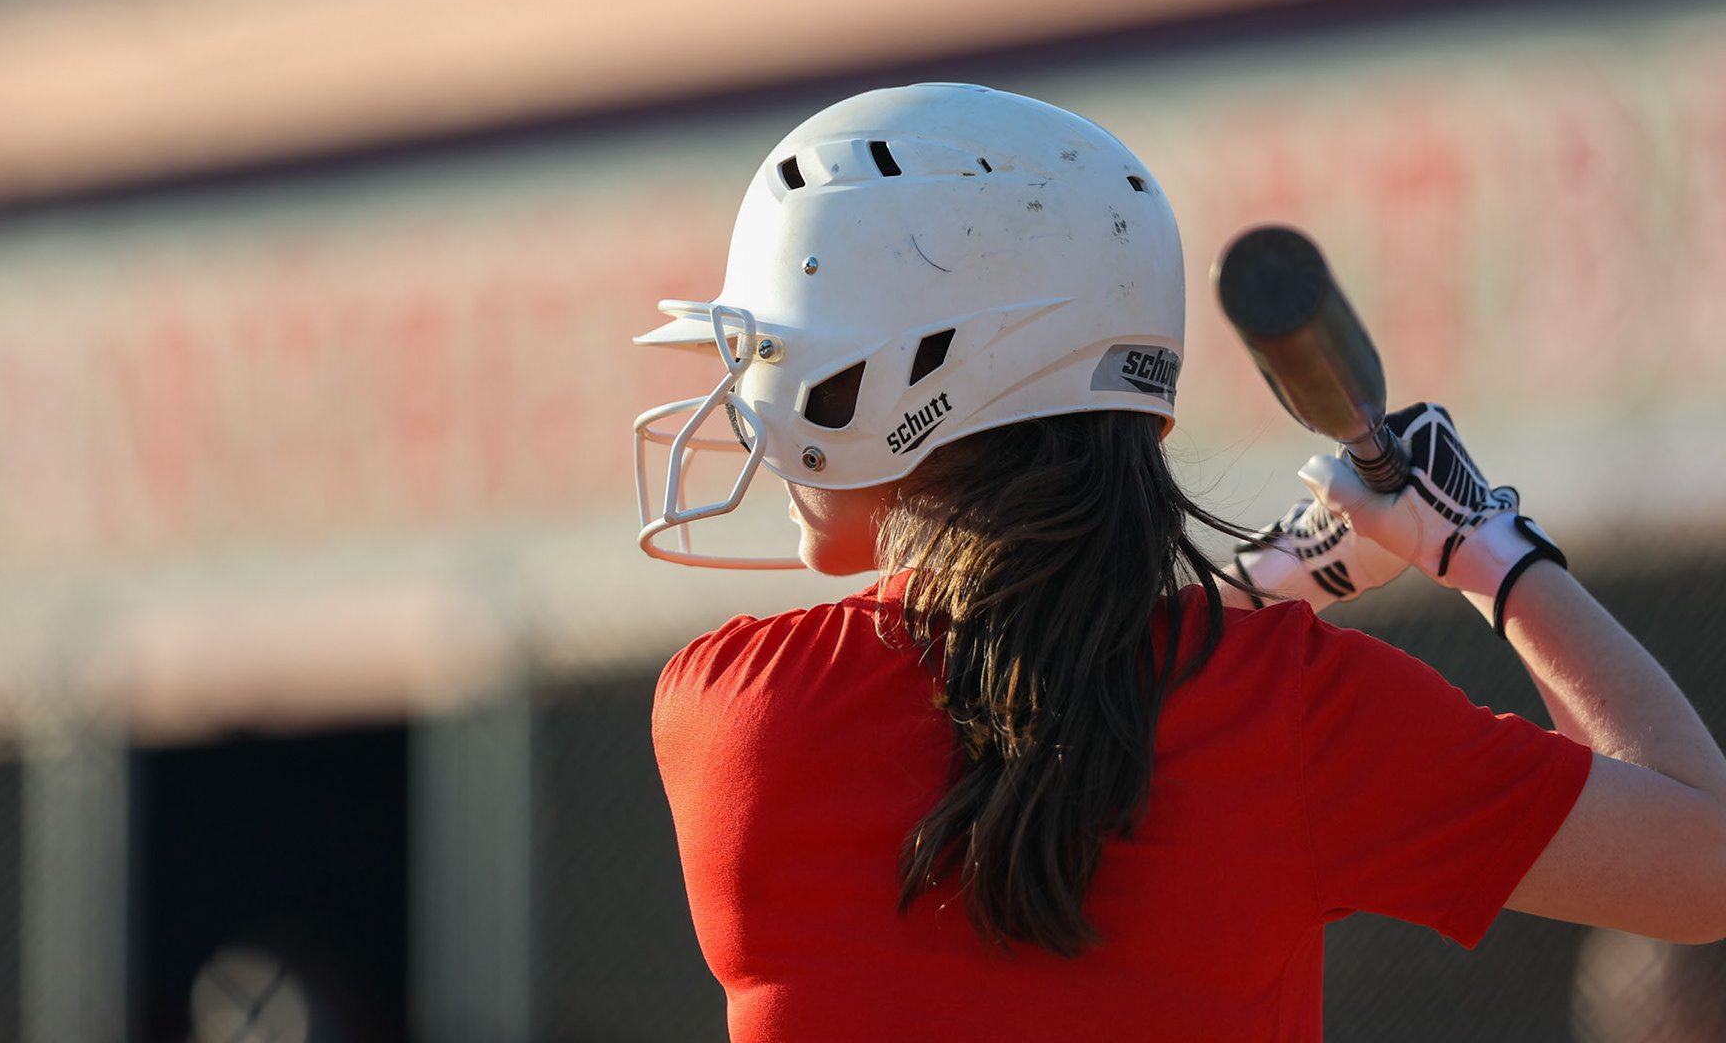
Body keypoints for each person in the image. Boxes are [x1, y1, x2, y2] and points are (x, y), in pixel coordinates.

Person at [631, 83, 1726, 1042]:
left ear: (903, 379)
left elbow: (1020, 687)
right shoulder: (1296, 711)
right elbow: (1702, 861)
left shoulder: (731, 709)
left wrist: (1251, 594)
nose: (747, 399)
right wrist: (1484, 546)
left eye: (774, 353)